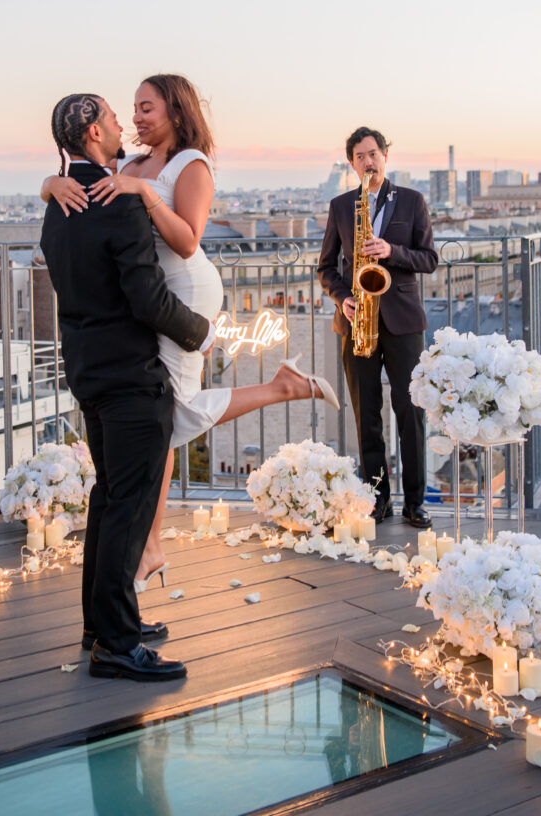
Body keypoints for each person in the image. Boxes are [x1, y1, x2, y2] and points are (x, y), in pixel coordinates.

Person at [42, 74, 338, 590]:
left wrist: (143, 194)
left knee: (166, 415)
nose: (135, 118)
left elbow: (187, 240)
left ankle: (146, 548)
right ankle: (148, 545)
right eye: (131, 109)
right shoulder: (130, 163)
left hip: (180, 292)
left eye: (146, 108)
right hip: (152, 297)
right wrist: (50, 182)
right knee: (162, 418)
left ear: (176, 112)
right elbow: (89, 181)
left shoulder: (189, 165)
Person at [41, 92, 212, 682]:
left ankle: (105, 622)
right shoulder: (118, 206)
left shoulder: (58, 205)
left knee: (109, 499)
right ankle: (115, 644)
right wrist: (201, 333)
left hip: (88, 372)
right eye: (114, 117)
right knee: (128, 510)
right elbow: (149, 299)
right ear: (93, 133)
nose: (121, 125)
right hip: (131, 379)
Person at [317, 127, 437, 529]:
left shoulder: (413, 201)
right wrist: (342, 298)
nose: (368, 162)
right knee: (367, 413)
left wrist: (391, 251)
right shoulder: (340, 206)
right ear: (352, 163)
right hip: (357, 322)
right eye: (360, 157)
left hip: (402, 321)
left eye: (374, 153)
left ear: (386, 155)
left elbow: (429, 259)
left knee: (410, 412)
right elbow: (326, 268)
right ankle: (377, 498)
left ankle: (415, 503)